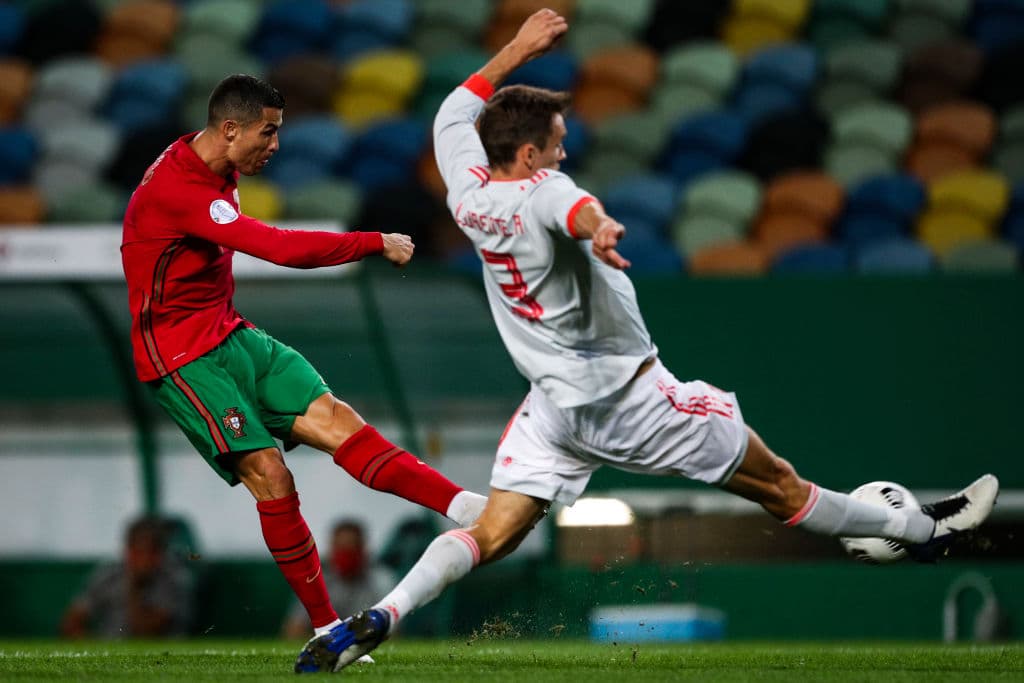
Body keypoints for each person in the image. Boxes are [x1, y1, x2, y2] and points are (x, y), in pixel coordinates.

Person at [294, 10, 1001, 673]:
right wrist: (599, 226)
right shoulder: (545, 192)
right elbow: (572, 206)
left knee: (490, 533)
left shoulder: (464, 186)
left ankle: (384, 614)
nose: (566, 151)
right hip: (633, 402)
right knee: (782, 486)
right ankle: (923, 531)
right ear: (533, 152)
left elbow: (455, 106)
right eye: (559, 143)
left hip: (553, 410)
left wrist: (516, 50)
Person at [120, 74, 486, 645]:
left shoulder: (219, 160)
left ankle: (466, 508)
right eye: (268, 133)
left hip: (232, 335)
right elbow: (279, 249)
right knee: (272, 474)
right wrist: (372, 241)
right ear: (231, 128)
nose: (276, 145)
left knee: (341, 422)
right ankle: (326, 628)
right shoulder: (177, 189)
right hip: (182, 359)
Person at [60, 516, 192, 639]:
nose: (144, 560)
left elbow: (145, 632)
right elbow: (72, 621)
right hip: (109, 652)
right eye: (138, 551)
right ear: (127, 550)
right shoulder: (109, 574)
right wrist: (91, 648)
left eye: (151, 552)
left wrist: (133, 587)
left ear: (161, 553)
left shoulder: (174, 578)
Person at [282, 519, 394, 639]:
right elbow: (294, 628)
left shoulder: (380, 580)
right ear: (332, 548)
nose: (346, 553)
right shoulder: (315, 581)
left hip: (367, 645)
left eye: (352, 547)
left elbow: (393, 631)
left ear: (363, 548)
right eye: (341, 548)